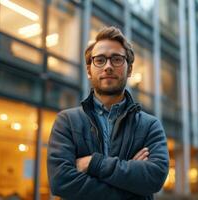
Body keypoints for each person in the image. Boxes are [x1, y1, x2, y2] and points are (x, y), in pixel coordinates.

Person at [47, 26, 169, 200]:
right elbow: (61, 182)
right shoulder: (67, 121)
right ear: (89, 70)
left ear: (130, 69)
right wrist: (131, 184)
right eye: (100, 60)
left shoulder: (149, 125)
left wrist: (93, 163)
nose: (108, 66)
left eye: (117, 59)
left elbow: (154, 178)